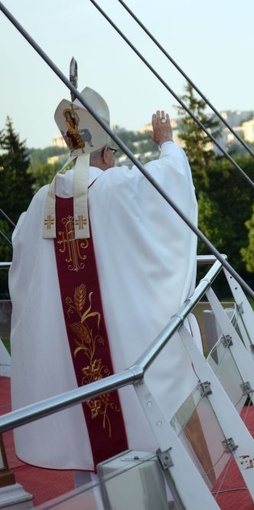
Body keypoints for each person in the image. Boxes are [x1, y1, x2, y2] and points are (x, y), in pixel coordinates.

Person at [10, 93, 201, 478]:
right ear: (107, 153)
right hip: (122, 348)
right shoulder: (116, 188)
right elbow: (171, 186)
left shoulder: (37, 206)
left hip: (67, 360)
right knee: (149, 463)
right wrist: (166, 142)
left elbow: (22, 268)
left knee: (85, 448)